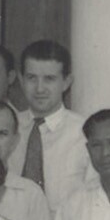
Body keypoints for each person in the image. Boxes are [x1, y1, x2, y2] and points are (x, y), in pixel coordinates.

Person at [16, 39, 89, 200]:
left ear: (66, 82)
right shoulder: (7, 128)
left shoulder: (84, 134)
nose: (39, 88)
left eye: (49, 79)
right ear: (21, 80)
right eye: (31, 78)